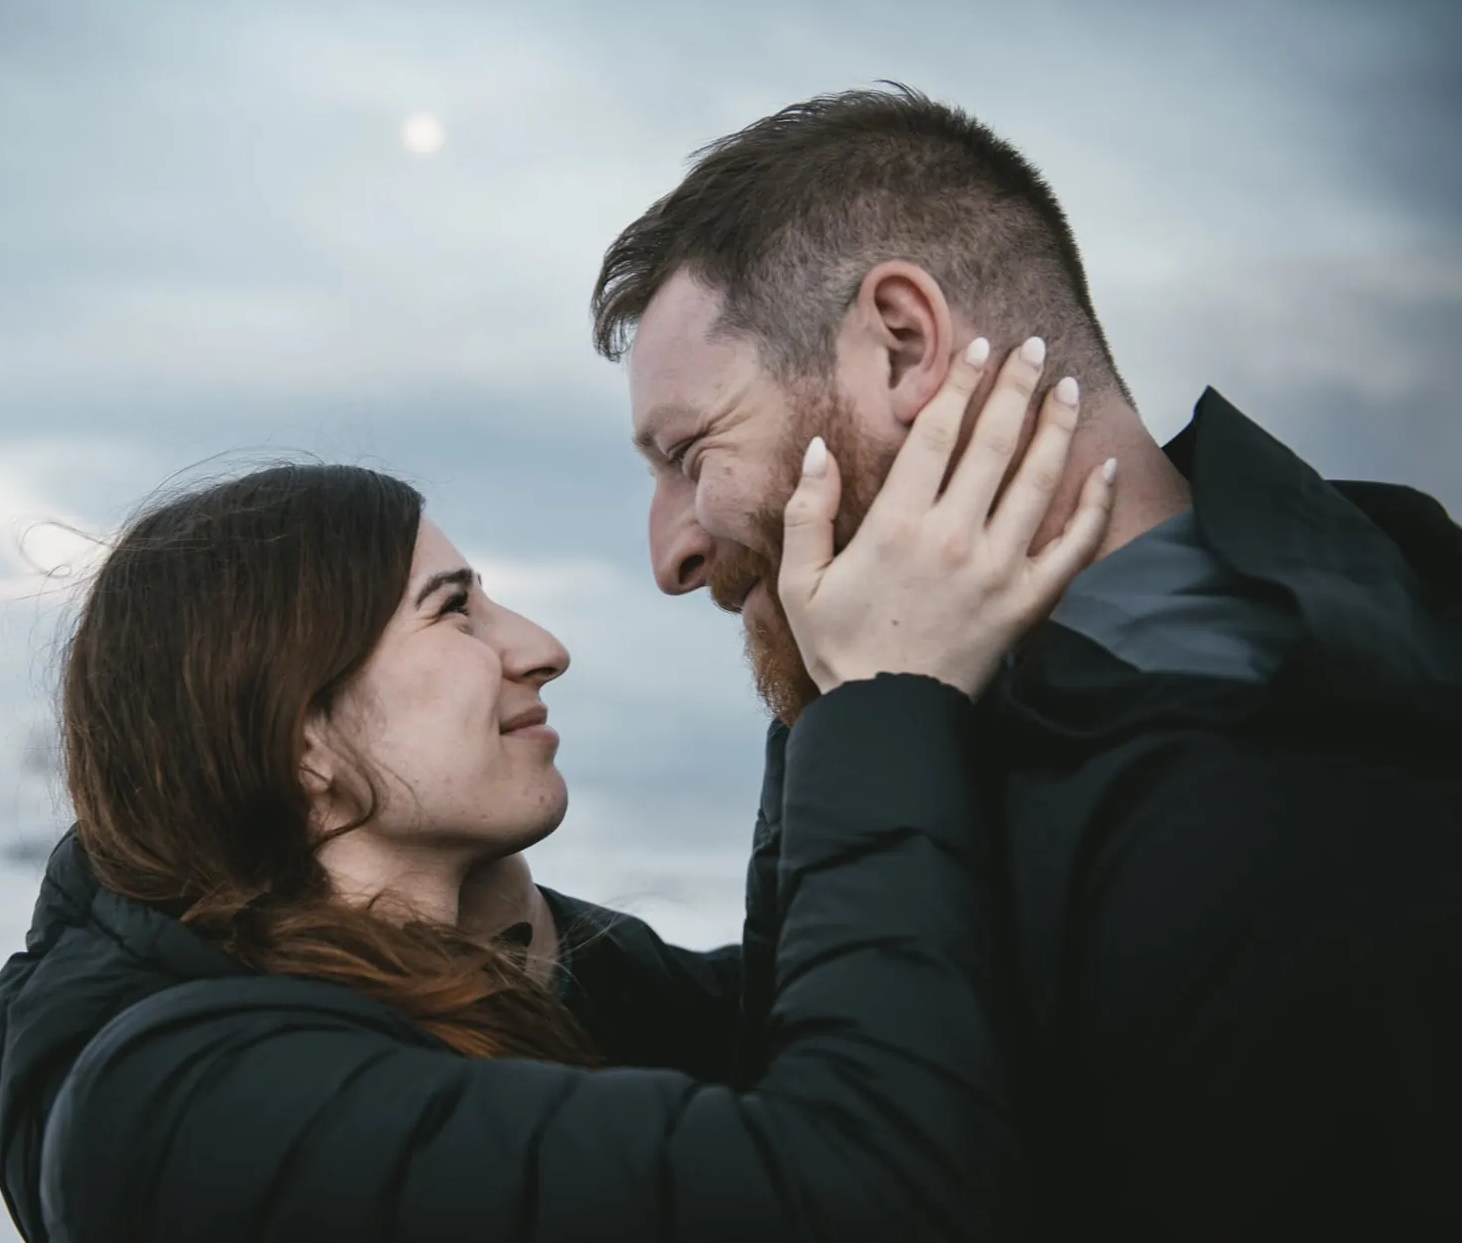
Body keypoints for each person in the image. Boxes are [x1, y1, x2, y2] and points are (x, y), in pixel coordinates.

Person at [0, 347, 1113, 1243]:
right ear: (302, 740)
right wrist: (881, 697)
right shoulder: (192, 1116)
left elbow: (793, 1034)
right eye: (452, 609)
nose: (542, 646)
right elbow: (862, 1194)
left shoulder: (481, 958)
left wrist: (814, 677)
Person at [587, 84, 1462, 1241]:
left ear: (902, 344)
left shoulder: (1276, 794)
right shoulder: (934, 715)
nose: (672, 552)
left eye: (691, 453)